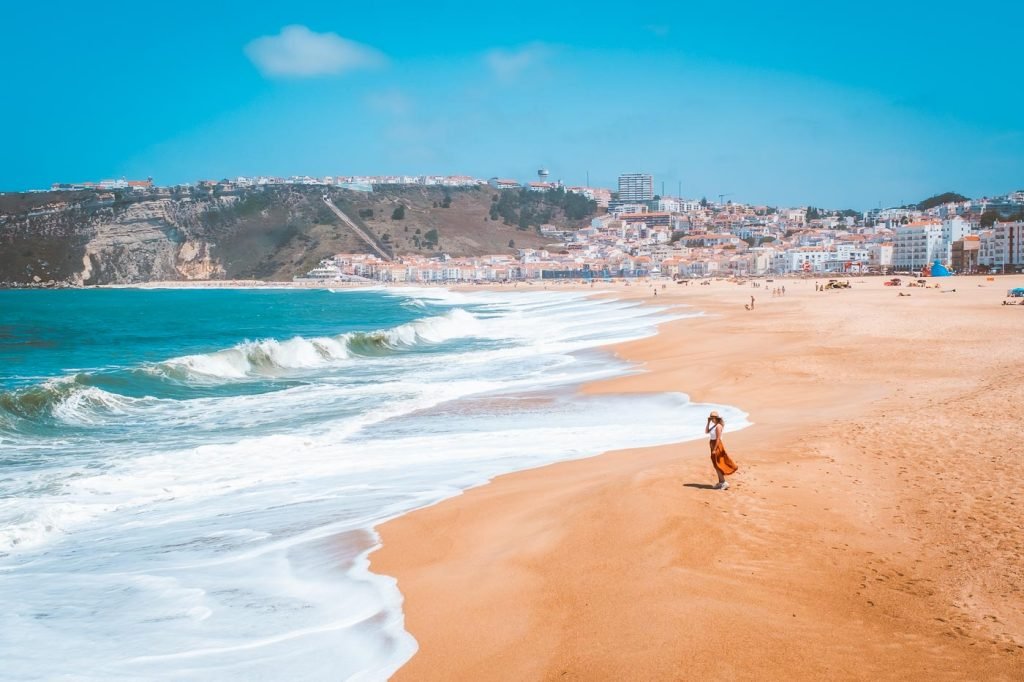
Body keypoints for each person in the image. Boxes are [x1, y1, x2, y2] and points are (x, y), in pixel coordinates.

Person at [705, 411, 738, 489]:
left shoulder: (718, 426)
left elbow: (718, 439)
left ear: (717, 418)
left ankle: (724, 483)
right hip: (713, 445)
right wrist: (708, 422)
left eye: (713, 417)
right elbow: (706, 431)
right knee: (715, 464)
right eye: (711, 418)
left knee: (718, 464)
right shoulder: (714, 426)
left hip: (717, 445)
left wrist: (715, 449)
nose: (712, 419)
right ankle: (720, 482)